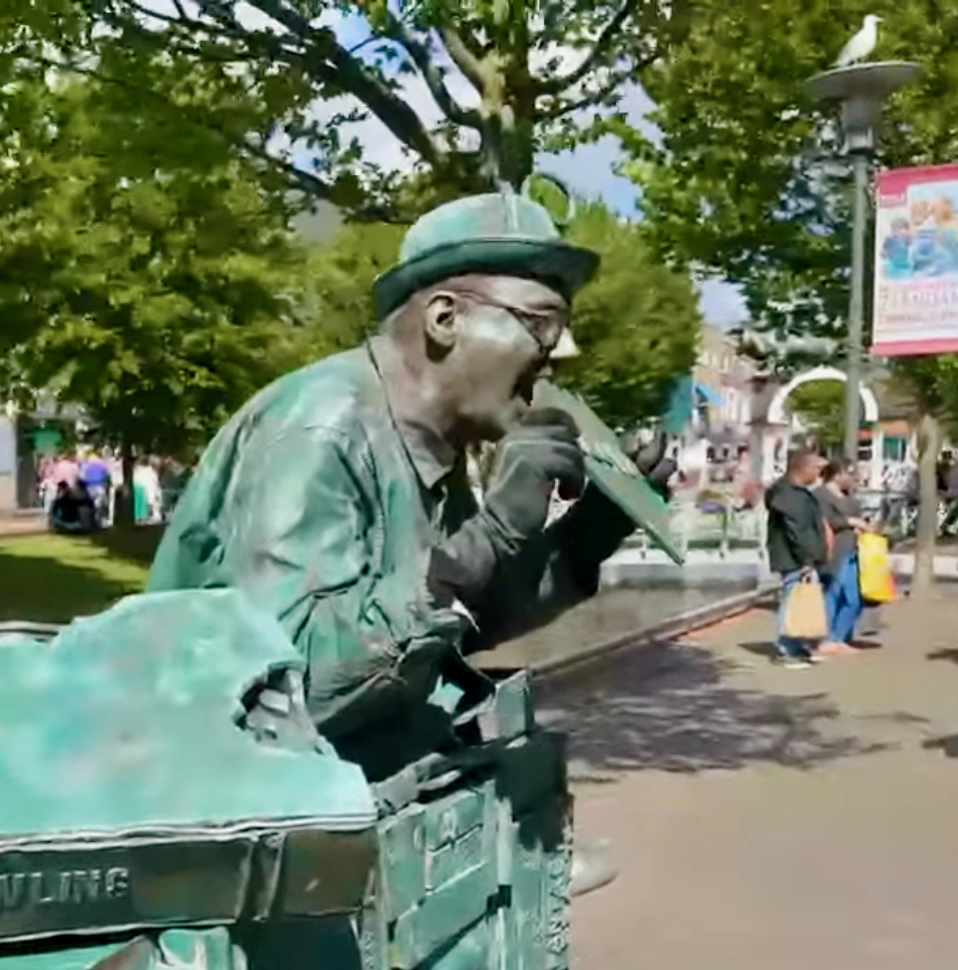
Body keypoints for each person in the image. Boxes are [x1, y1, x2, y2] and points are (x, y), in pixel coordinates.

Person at [148, 192, 669, 781]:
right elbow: (290, 697)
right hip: (223, 799)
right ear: (444, 319)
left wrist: (581, 540)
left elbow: (454, 624)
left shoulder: (433, 449)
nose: (563, 352)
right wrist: (487, 540)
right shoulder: (323, 426)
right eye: (541, 321)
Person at [765, 448, 830, 668]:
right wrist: (806, 559)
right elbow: (797, 529)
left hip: (797, 556)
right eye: (816, 468)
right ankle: (786, 649)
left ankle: (797, 644)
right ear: (803, 468)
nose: (818, 473)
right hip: (793, 557)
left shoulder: (794, 493)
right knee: (791, 600)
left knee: (800, 601)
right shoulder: (788, 495)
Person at [816, 462, 871, 655]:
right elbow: (824, 521)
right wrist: (850, 522)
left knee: (854, 598)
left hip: (853, 549)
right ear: (837, 474)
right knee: (833, 594)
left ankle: (838, 636)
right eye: (850, 473)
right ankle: (828, 639)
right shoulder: (821, 495)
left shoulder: (848, 496)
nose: (853, 478)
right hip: (834, 550)